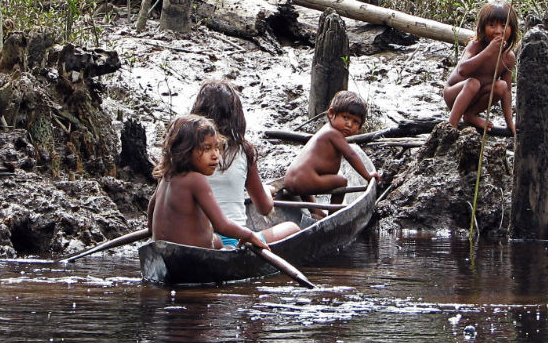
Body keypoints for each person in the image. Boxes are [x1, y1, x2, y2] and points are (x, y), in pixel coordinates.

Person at [191, 81, 301, 243]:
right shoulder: (243, 150)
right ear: (236, 116)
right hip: (230, 240)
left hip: (191, 238)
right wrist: (266, 192)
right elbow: (264, 208)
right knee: (292, 228)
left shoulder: (187, 149)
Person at [147, 114, 269, 251]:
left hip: (162, 251)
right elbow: (221, 225)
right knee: (227, 247)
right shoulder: (196, 180)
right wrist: (249, 234)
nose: (215, 155)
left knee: (216, 241)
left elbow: (151, 209)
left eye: (216, 147)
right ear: (185, 151)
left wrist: (154, 232)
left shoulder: (167, 176)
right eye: (206, 149)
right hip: (192, 257)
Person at [281, 90, 381, 205]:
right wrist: (367, 176)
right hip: (303, 181)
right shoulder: (334, 134)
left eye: (355, 122)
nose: (349, 124)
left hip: (291, 180)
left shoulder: (326, 130)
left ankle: (316, 211)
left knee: (309, 176)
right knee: (341, 181)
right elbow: (351, 155)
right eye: (345, 117)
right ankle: (334, 211)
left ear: (360, 127)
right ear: (331, 113)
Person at [443, 0, 518, 132]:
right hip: (454, 94)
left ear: (512, 29)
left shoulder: (508, 57)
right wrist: (488, 51)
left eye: (503, 25)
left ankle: (470, 115)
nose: (498, 31)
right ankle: (450, 127)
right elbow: (462, 70)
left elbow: (506, 93)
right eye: (492, 25)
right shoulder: (475, 46)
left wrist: (510, 123)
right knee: (473, 83)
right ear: (483, 28)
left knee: (502, 86)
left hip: (476, 98)